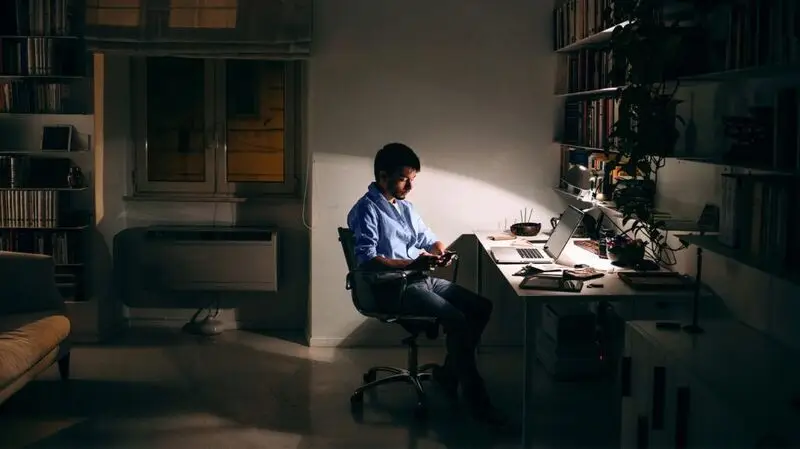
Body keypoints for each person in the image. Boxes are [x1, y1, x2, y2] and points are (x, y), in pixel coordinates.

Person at [347, 142, 507, 426]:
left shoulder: (405, 207)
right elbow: (366, 260)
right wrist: (411, 264)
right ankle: (477, 402)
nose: (409, 186)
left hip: (419, 279)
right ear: (383, 176)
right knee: (457, 320)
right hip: (392, 288)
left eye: (413, 180)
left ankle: (448, 374)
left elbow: (428, 239)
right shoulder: (366, 210)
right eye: (403, 179)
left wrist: (439, 252)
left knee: (481, 307)